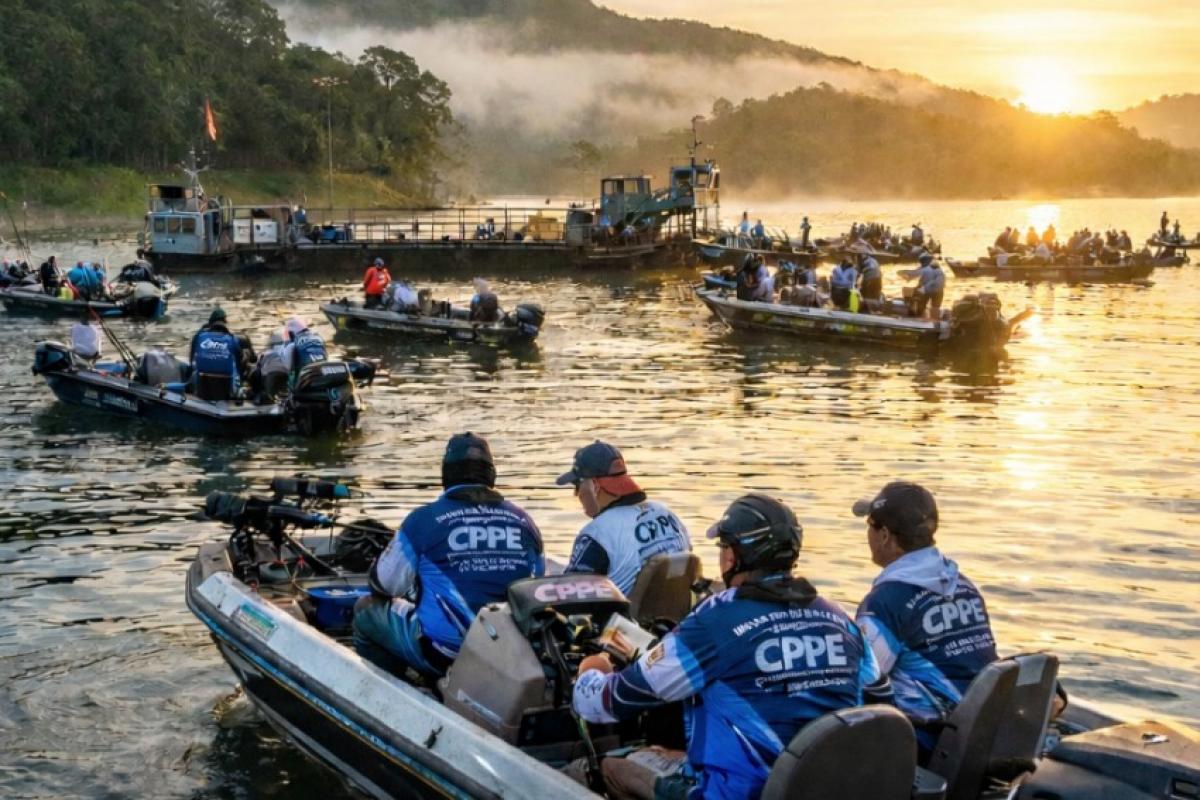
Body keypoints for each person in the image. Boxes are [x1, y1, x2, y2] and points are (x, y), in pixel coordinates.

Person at [571, 494, 889, 800]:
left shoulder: (714, 621)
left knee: (609, 768)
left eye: (723, 546)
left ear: (733, 556)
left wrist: (591, 673)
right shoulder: (840, 619)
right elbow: (881, 699)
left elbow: (609, 703)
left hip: (742, 792)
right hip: (823, 786)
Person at [353, 433, 544, 679]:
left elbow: (384, 586)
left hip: (446, 655)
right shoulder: (524, 521)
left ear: (446, 474)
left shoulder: (423, 520)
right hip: (512, 655)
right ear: (491, 474)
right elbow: (537, 587)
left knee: (365, 609)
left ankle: (390, 687)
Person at [851, 482, 998, 753]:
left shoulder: (885, 603)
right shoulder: (963, 585)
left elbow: (860, 683)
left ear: (885, 535)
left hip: (930, 740)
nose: (867, 535)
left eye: (870, 525)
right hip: (983, 728)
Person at [556, 440, 691, 596]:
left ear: (594, 486)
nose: (576, 494)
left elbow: (570, 596)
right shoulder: (667, 513)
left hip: (626, 611)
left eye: (577, 485)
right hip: (676, 606)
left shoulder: (597, 533)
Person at [189, 308, 243, 400]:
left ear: (210, 322)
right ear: (224, 322)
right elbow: (239, 361)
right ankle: (237, 392)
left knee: (195, 368)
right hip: (225, 385)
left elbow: (191, 359)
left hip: (202, 384)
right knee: (234, 367)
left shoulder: (199, 336)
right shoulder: (232, 338)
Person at [248, 329, 290, 403]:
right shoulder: (286, 350)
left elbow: (257, 368)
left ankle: (258, 394)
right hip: (285, 375)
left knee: (257, 373)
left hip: (270, 377)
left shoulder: (265, 353)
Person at [281, 315, 326, 380]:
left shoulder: (292, 345)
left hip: (306, 378)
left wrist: (286, 343)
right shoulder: (318, 338)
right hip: (323, 374)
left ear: (291, 333)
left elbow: (287, 367)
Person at [909, 254, 944, 320]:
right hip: (939, 290)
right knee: (935, 307)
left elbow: (914, 276)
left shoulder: (924, 269)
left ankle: (921, 318)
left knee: (921, 306)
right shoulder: (938, 268)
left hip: (928, 290)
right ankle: (935, 320)